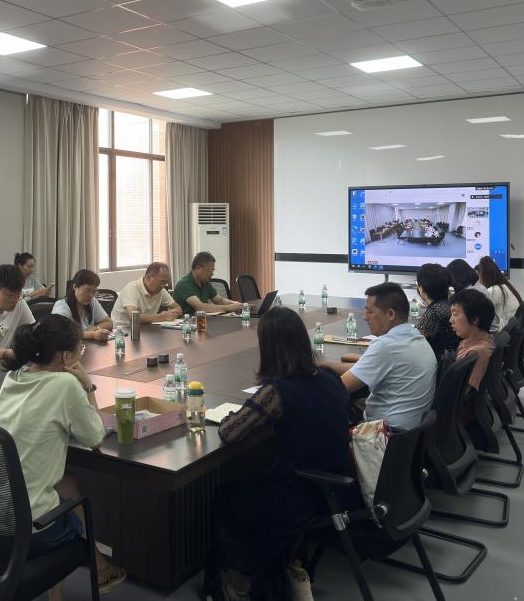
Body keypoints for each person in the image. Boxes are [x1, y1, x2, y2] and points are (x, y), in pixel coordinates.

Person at [0, 315, 124, 599]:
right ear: (66, 357)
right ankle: (88, 574)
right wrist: (87, 385)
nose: (81, 354)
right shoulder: (66, 385)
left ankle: (100, 569)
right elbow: (96, 437)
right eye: (79, 350)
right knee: (74, 522)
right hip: (22, 532)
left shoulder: (14, 377)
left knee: (66, 482)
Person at [208, 307, 355, 600]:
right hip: (338, 489)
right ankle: (291, 566)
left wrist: (231, 416)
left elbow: (230, 432)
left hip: (301, 497)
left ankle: (242, 581)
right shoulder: (329, 377)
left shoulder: (276, 391)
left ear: (268, 348)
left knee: (227, 496)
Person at [324, 282, 437, 430]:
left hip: (384, 435)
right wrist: (325, 365)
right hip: (411, 434)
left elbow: (338, 388)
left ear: (390, 314)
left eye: (370, 311)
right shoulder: (414, 336)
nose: (364, 317)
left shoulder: (386, 346)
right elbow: (362, 369)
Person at [449, 288, 497, 393]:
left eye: (455, 314)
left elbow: (462, 394)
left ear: (474, 319)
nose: (451, 320)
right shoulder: (473, 342)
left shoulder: (477, 354)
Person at [110, 262, 181, 327]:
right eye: (162, 281)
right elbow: (134, 317)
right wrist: (163, 317)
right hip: (123, 331)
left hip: (146, 329)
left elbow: (177, 307)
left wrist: (173, 313)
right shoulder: (132, 289)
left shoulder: (161, 290)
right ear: (148, 278)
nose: (163, 286)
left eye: (166, 282)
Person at [172, 252, 242, 316]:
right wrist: (229, 307)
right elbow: (200, 307)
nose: (212, 274)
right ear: (198, 268)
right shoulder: (184, 283)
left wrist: (236, 304)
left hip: (202, 320)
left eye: (213, 270)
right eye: (209, 270)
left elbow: (220, 301)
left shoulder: (205, 282)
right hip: (185, 323)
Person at [51, 269, 113, 341]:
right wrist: (92, 334)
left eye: (94, 291)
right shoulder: (62, 306)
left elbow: (108, 322)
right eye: (87, 290)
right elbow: (61, 332)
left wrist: (91, 330)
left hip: (87, 345)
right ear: (75, 287)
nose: (91, 295)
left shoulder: (92, 301)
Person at [414, 263, 460, 358]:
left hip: (437, 362)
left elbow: (412, 340)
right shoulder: (450, 305)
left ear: (422, 288)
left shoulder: (434, 311)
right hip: (453, 358)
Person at [475, 256, 521, 330]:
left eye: (479, 277)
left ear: (485, 276)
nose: (479, 281)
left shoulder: (495, 290)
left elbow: (478, 309)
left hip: (502, 329)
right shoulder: (504, 286)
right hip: (510, 328)